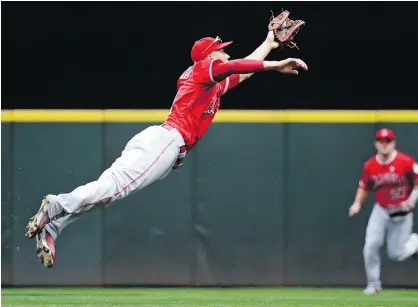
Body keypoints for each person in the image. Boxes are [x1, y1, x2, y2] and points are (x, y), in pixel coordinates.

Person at [25, 31, 308, 268]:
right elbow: (235, 66)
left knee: (108, 193)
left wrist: (270, 43)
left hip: (158, 142)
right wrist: (276, 64)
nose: (225, 54)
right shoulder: (201, 70)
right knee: (113, 188)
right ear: (209, 57)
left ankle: (53, 227)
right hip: (165, 142)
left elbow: (242, 71)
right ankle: (56, 205)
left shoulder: (211, 85)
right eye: (220, 51)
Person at [349, 128, 418, 294]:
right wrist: (357, 204)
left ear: (394, 143)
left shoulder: (405, 161)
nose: (384, 145)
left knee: (396, 254)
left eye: (388, 141)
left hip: (402, 212)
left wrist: (413, 198)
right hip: (381, 210)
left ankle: (414, 243)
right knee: (370, 246)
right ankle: (374, 284)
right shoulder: (370, 165)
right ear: (376, 144)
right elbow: (364, 186)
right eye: (381, 141)